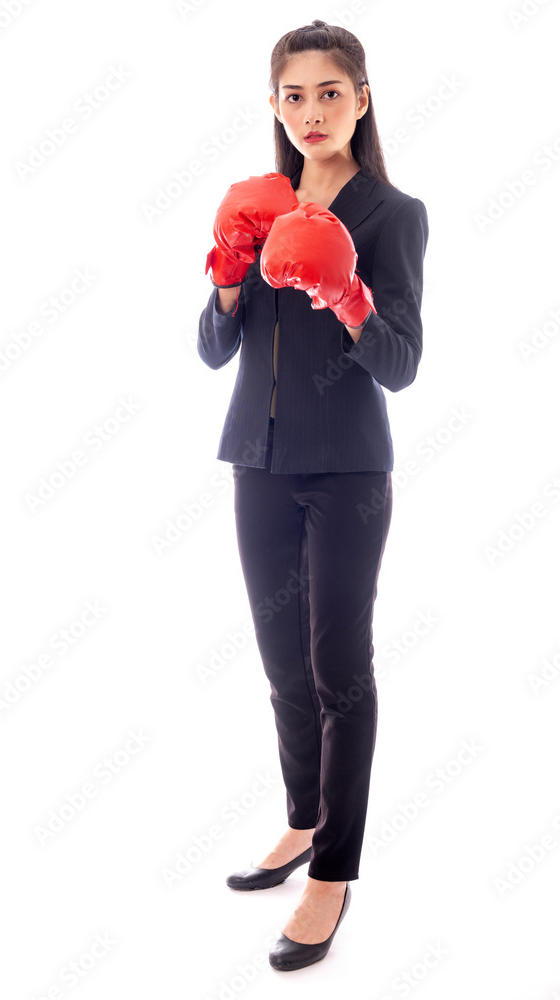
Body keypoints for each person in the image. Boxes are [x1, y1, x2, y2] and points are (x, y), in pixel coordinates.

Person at [197, 19, 429, 972]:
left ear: (361, 99)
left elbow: (401, 365)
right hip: (257, 464)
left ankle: (332, 873)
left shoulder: (392, 214)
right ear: (274, 105)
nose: (311, 111)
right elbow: (214, 349)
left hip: (346, 473)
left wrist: (348, 296)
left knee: (339, 669)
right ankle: (302, 821)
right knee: (282, 668)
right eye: (293, 95)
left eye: (330, 92)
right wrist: (226, 273)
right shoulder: (258, 203)